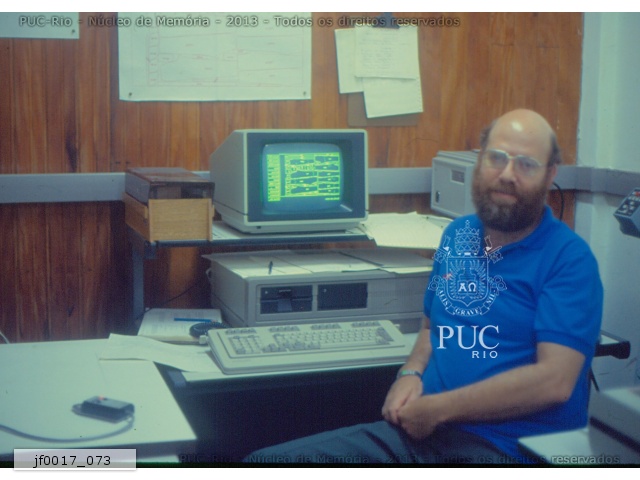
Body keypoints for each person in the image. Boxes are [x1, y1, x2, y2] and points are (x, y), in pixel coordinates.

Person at [244, 109, 604, 464]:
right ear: (479, 161)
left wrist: (440, 409)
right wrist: (410, 373)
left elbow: (554, 381)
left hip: (508, 449)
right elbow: (433, 327)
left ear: (550, 174)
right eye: (496, 158)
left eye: (526, 164)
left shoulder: (569, 259)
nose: (507, 174)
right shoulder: (458, 234)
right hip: (425, 435)